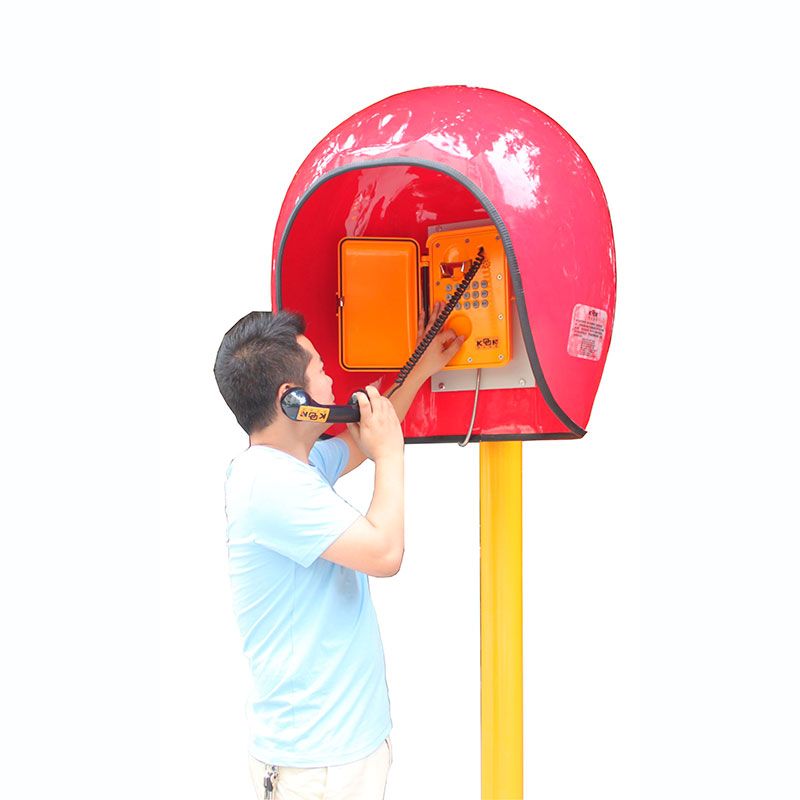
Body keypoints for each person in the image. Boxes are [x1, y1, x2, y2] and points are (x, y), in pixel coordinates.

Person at [213, 306, 462, 800]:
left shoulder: (291, 466)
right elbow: (386, 552)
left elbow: (359, 439)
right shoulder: (271, 485)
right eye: (321, 370)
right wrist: (391, 454)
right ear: (294, 400)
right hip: (318, 766)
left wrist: (421, 367)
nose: (331, 381)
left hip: (337, 752)